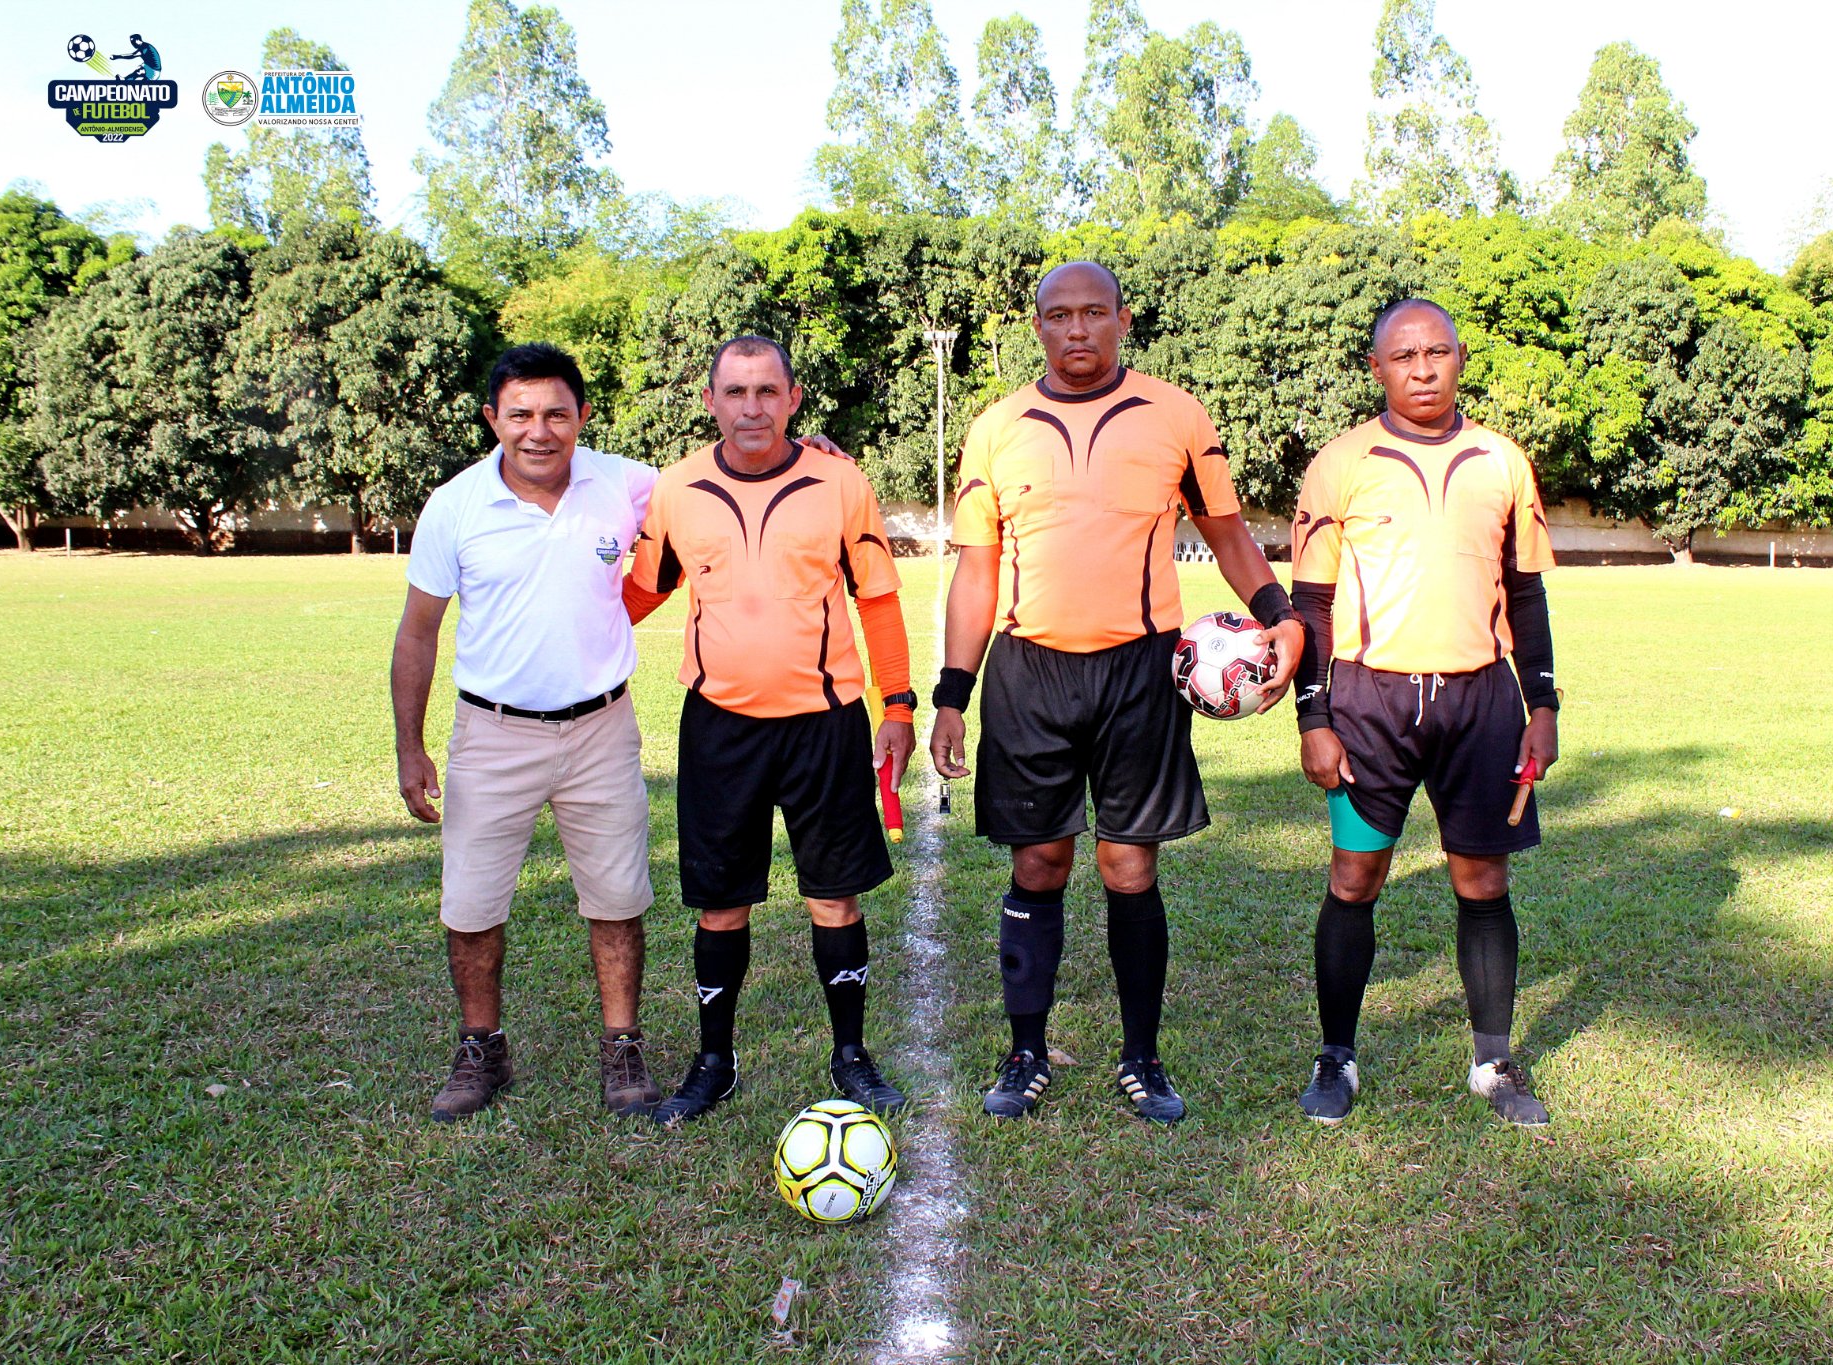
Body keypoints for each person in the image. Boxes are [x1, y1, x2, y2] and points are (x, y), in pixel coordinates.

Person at [930, 261, 1304, 1124]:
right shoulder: (995, 428)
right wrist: (954, 692)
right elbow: (976, 573)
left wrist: (1281, 616)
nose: (1076, 330)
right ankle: (1025, 1053)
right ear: (1038, 327)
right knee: (1039, 861)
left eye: (1093, 313)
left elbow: (1228, 533)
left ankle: (1143, 1058)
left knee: (1129, 864)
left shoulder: (1174, 415)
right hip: (1030, 673)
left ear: (1123, 320)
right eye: (1058, 316)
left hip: (1142, 670)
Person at [625, 335, 916, 1123]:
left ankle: (851, 1055)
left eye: (766, 392)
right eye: (735, 392)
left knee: (836, 898)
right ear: (710, 399)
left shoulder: (840, 480)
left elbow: (878, 599)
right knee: (720, 905)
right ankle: (714, 1061)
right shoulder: (679, 488)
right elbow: (640, 592)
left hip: (824, 723)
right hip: (719, 724)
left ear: (793, 399)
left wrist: (898, 705)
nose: (751, 407)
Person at [1289, 298, 1561, 1127]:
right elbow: (1311, 603)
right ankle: (1337, 1056)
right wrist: (1313, 717)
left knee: (1482, 878)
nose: (1422, 367)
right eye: (1403, 356)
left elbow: (1526, 591)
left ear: (1460, 357)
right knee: (1354, 876)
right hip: (1369, 702)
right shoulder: (1341, 462)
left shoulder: (1502, 461)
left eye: (1436, 351)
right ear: (1377, 368)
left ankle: (1492, 1058)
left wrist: (1542, 701)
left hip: (1481, 703)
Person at [392, 342, 664, 1123]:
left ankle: (623, 1046)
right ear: (492, 419)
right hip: (493, 732)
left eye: (556, 412)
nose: (538, 430)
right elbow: (417, 634)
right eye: (520, 413)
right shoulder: (455, 504)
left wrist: (799, 449)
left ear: (581, 416)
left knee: (616, 896)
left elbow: (716, 479)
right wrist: (410, 747)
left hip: (601, 728)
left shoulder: (624, 482)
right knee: (472, 904)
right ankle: (482, 1045)